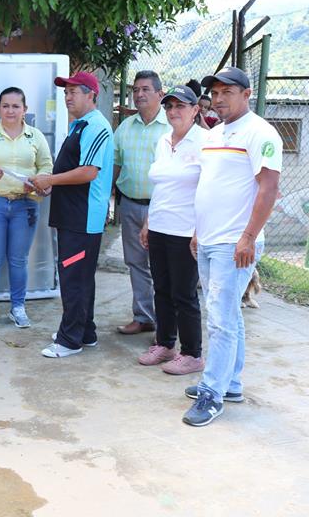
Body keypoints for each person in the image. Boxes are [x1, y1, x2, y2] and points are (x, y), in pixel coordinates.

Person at [183, 66, 282, 427]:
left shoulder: (260, 133)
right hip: (209, 239)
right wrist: (197, 231)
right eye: (216, 93)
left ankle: (212, 393)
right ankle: (232, 382)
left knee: (221, 318)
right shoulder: (214, 134)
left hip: (234, 243)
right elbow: (209, 186)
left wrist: (249, 238)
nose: (220, 99)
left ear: (246, 94)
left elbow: (269, 189)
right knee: (227, 315)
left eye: (228, 92)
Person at [30, 71, 114, 358]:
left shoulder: (96, 126)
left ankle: (69, 340)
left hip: (83, 217)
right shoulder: (81, 125)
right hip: (72, 214)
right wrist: (49, 183)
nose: (68, 97)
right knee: (80, 276)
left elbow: (89, 172)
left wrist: (50, 181)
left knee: (74, 277)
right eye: (66, 92)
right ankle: (84, 330)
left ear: (92, 95)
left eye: (74, 91)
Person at [0, 87, 54, 328]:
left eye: (16, 106)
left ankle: (18, 307)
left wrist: (37, 181)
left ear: (25, 110)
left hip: (24, 205)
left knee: (18, 259)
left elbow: (46, 165)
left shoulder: (35, 136)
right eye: (5, 106)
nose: (10, 110)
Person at [139, 85, 206, 374]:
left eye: (181, 106)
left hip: (185, 229)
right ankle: (165, 345)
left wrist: (199, 230)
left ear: (195, 110)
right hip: (160, 226)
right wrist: (148, 222)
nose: (173, 111)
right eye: (169, 106)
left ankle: (192, 353)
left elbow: (210, 190)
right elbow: (161, 186)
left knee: (184, 293)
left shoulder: (205, 142)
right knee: (162, 289)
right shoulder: (164, 140)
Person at [113, 71, 170, 335]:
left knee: (162, 267)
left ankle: (166, 325)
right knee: (135, 263)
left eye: (146, 89)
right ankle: (144, 316)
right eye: (135, 90)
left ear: (160, 94)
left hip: (162, 208)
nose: (139, 94)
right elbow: (115, 164)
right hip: (130, 205)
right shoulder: (125, 127)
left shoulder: (171, 127)